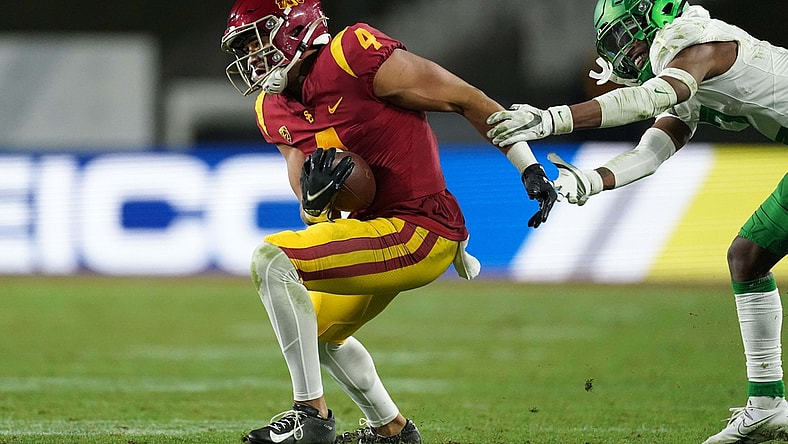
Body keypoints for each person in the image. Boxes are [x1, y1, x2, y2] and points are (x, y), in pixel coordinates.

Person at [220, 1, 557, 443]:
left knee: (271, 259)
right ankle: (392, 431)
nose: (252, 56)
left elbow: (466, 98)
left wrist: (527, 166)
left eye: (256, 39)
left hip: (421, 228)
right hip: (374, 232)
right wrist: (319, 201)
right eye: (244, 46)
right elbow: (312, 209)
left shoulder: (350, 56)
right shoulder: (273, 108)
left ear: (293, 25)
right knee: (315, 334)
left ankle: (311, 417)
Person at [486, 1, 788, 442]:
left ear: (657, 14)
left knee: (748, 256)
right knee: (748, 256)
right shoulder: (680, 66)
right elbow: (653, 150)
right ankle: (766, 406)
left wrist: (549, 119)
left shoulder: (690, 41)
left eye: (625, 34)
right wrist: (592, 180)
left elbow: (648, 98)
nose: (623, 50)